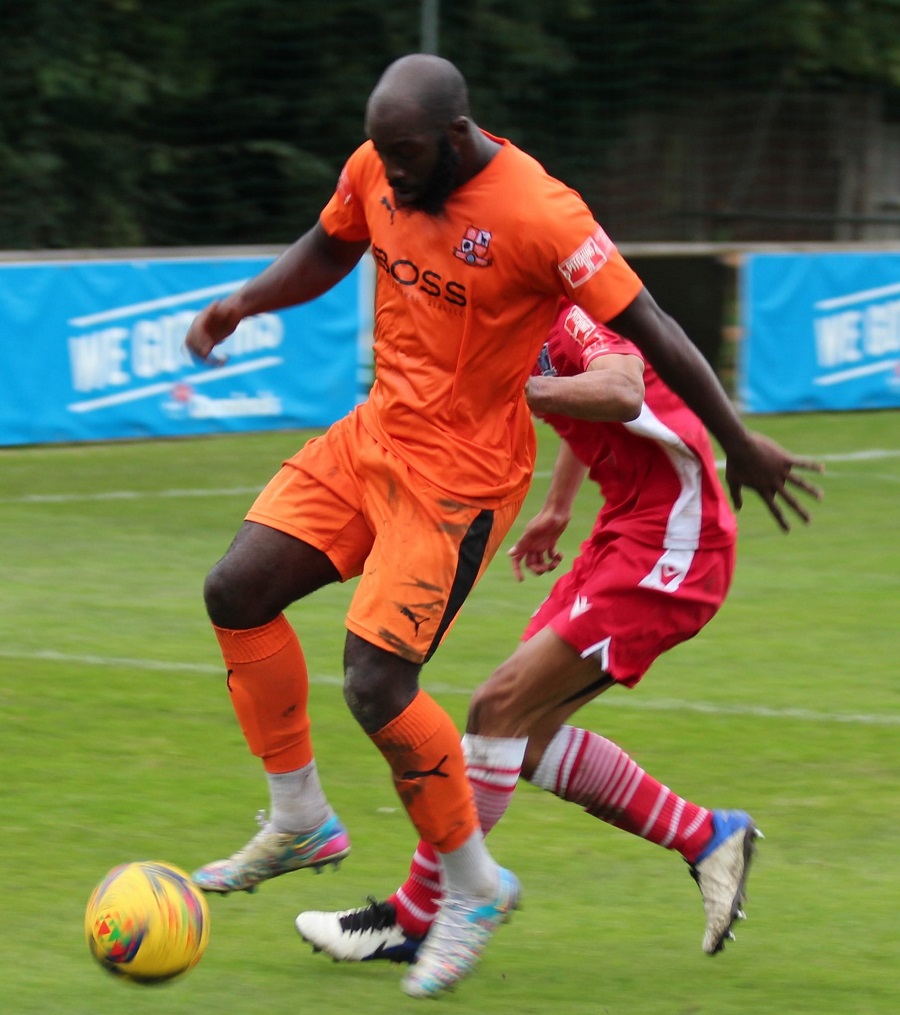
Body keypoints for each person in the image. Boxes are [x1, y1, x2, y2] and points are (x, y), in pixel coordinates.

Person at [183, 54, 822, 1000]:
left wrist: (738, 440)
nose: (390, 173)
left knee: (412, 690)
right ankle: (304, 818)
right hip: (381, 440)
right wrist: (244, 301)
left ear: (453, 134)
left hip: (509, 494)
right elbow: (329, 244)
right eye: (382, 154)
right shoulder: (378, 166)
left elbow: (640, 350)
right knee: (238, 592)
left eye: (406, 155)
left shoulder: (544, 222)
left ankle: (450, 898)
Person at [295, 298, 763, 967]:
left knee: (495, 711)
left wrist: (513, 384)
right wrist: (558, 505)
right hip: (626, 529)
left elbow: (619, 386)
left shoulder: (562, 308)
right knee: (523, 737)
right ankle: (705, 835)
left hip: (675, 542)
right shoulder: (504, 320)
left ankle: (417, 913)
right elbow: (588, 409)